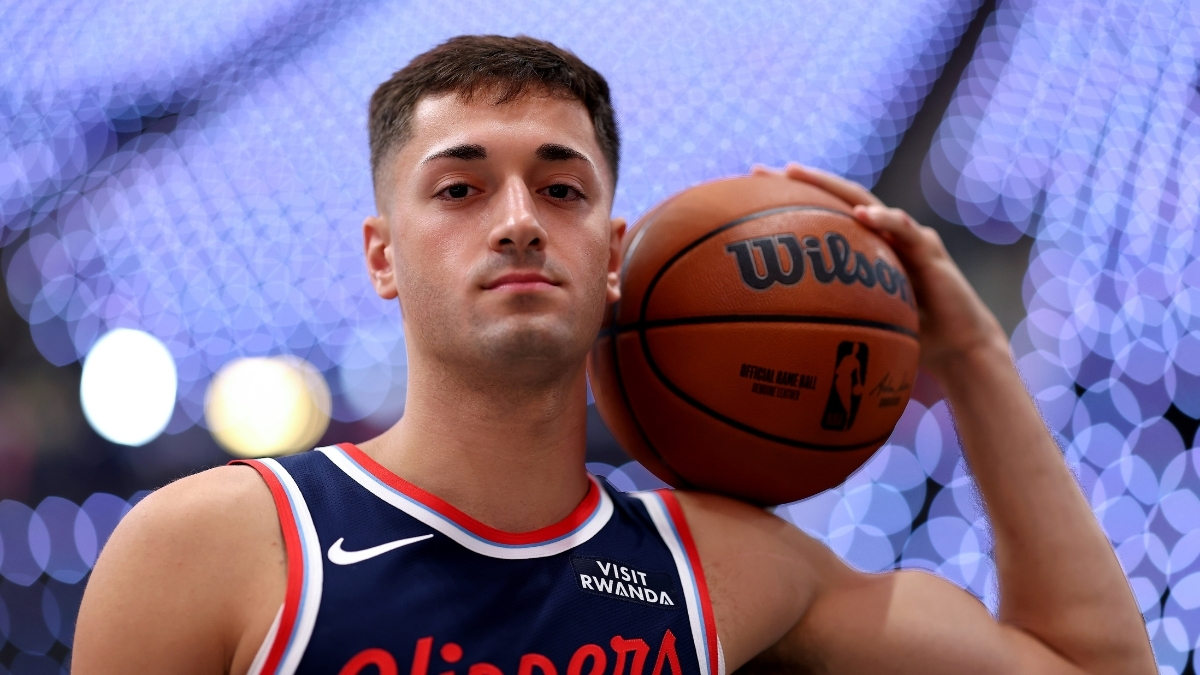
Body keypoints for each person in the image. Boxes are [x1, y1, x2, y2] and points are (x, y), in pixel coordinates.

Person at [73, 34, 1154, 675]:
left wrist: (969, 353)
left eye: (561, 187)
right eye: (459, 187)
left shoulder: (729, 568)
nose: (516, 221)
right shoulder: (214, 545)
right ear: (382, 256)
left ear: (616, 255)